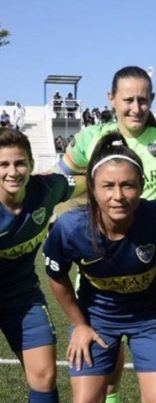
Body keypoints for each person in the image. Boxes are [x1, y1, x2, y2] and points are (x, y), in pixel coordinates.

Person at [44, 132, 156, 402]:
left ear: (142, 185)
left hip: (152, 319)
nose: (118, 195)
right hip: (96, 319)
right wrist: (80, 325)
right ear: (92, 189)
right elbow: (56, 276)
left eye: (128, 185)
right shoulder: (71, 227)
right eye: (108, 186)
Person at [0, 128, 75, 402]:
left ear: (31, 165)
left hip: (23, 296)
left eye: (19, 163)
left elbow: (84, 183)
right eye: (3, 164)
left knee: (44, 375)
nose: (12, 172)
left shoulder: (47, 189)